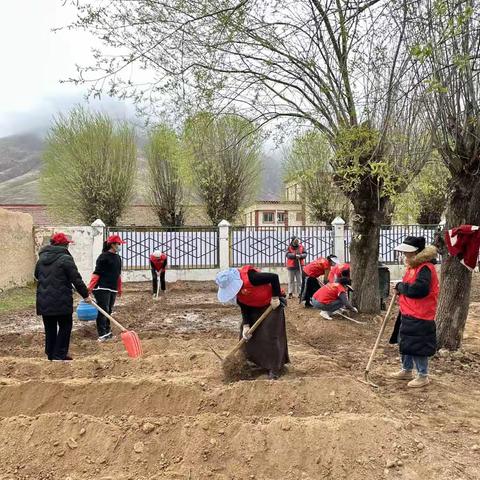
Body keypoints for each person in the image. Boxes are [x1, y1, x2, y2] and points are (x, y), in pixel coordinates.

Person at [216, 266, 289, 380]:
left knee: (269, 333)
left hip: (271, 304)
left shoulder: (251, 277)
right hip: (253, 308)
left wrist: (275, 297)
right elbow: (244, 305)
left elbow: (274, 277)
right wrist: (246, 325)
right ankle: (250, 362)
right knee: (245, 335)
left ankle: (274, 368)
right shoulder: (237, 294)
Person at [389, 236, 439, 388]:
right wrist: (400, 287)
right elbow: (408, 285)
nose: (405, 255)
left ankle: (423, 375)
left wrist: (401, 287)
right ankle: (406, 370)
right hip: (408, 311)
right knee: (405, 341)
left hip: (421, 314)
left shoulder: (425, 268)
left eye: (407, 252)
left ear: (417, 252)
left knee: (418, 345)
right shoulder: (413, 267)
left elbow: (419, 290)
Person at [34, 232, 91, 361]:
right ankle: (59, 355)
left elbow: (37, 275)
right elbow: (76, 279)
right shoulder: (66, 259)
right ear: (64, 245)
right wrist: (86, 295)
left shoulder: (41, 259)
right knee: (65, 326)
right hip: (61, 300)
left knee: (50, 327)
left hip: (44, 300)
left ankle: (51, 354)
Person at [88, 234, 125, 342]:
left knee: (109, 311)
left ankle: (108, 333)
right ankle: (102, 334)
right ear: (112, 245)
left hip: (112, 288)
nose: (119, 246)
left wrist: (119, 288)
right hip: (102, 287)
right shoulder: (103, 257)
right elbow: (96, 273)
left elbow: (118, 274)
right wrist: (90, 288)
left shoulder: (118, 258)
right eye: (118, 244)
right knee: (103, 310)